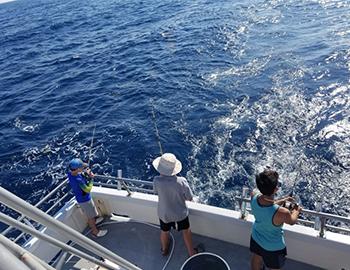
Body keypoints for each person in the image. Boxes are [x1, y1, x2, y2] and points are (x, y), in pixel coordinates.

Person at [250, 168, 302, 270]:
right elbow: (292, 221)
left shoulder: (254, 196)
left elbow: (266, 204)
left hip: (256, 238)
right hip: (272, 248)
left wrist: (283, 200)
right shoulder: (282, 212)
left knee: (256, 259)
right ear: (275, 190)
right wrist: (297, 210)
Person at [152, 153, 196, 257]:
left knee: (164, 231)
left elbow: (155, 192)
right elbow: (189, 197)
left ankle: (164, 249)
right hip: (180, 214)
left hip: (164, 214)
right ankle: (191, 252)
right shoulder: (182, 181)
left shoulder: (156, 180)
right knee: (186, 231)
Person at [67, 158, 107, 237]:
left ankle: (94, 221)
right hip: (85, 200)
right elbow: (87, 189)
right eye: (82, 167)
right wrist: (91, 178)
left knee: (92, 213)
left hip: (81, 198)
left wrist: (85, 173)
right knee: (90, 217)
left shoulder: (70, 173)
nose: (83, 168)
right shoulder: (78, 180)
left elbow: (78, 174)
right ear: (77, 169)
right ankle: (95, 231)